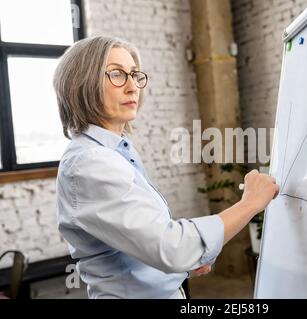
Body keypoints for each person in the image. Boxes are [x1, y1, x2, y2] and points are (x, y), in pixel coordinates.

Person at [54, 36, 279, 299]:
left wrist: (183, 263)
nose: (132, 87)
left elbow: (142, 240)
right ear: (81, 83)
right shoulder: (90, 162)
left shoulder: (113, 152)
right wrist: (250, 203)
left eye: (135, 75)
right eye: (116, 74)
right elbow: (171, 248)